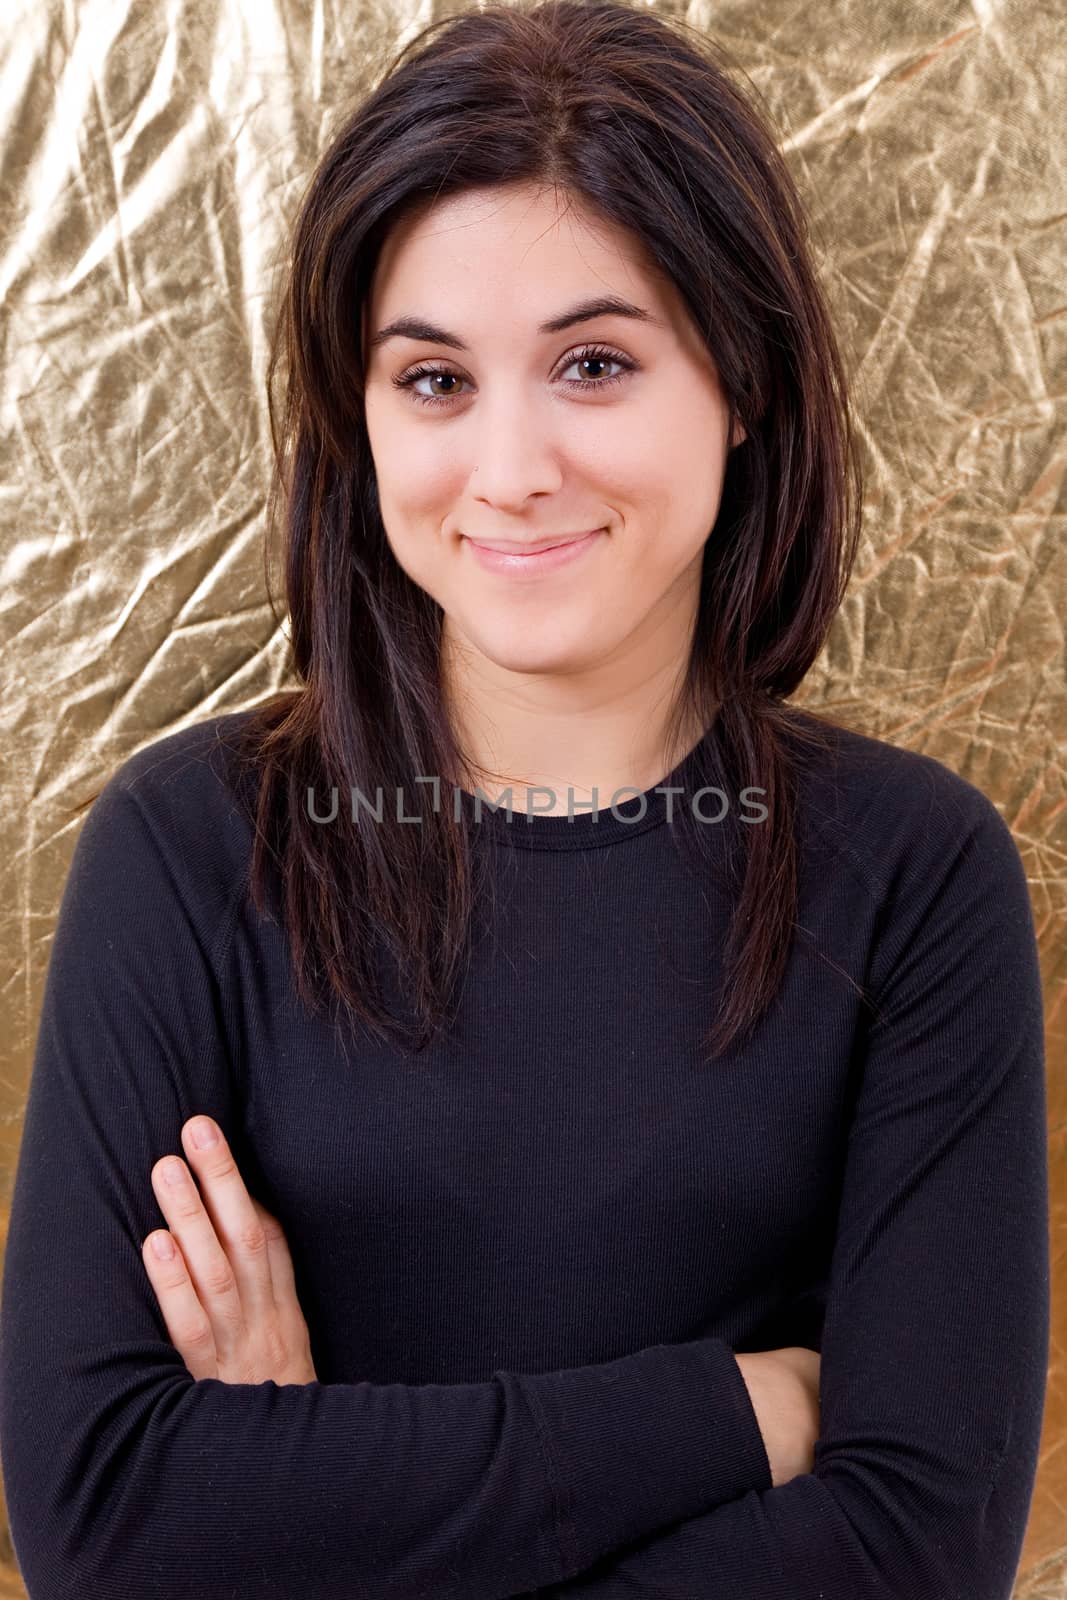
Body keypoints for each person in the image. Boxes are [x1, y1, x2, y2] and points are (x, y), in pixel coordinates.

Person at [0, 1, 1048, 1596]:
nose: (511, 466)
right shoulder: (192, 846)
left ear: (743, 380)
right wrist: (734, 1413)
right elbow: (102, 1524)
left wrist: (314, 1500)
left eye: (595, 363)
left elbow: (917, 1548)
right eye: (433, 379)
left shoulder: (912, 877)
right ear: (359, 420)